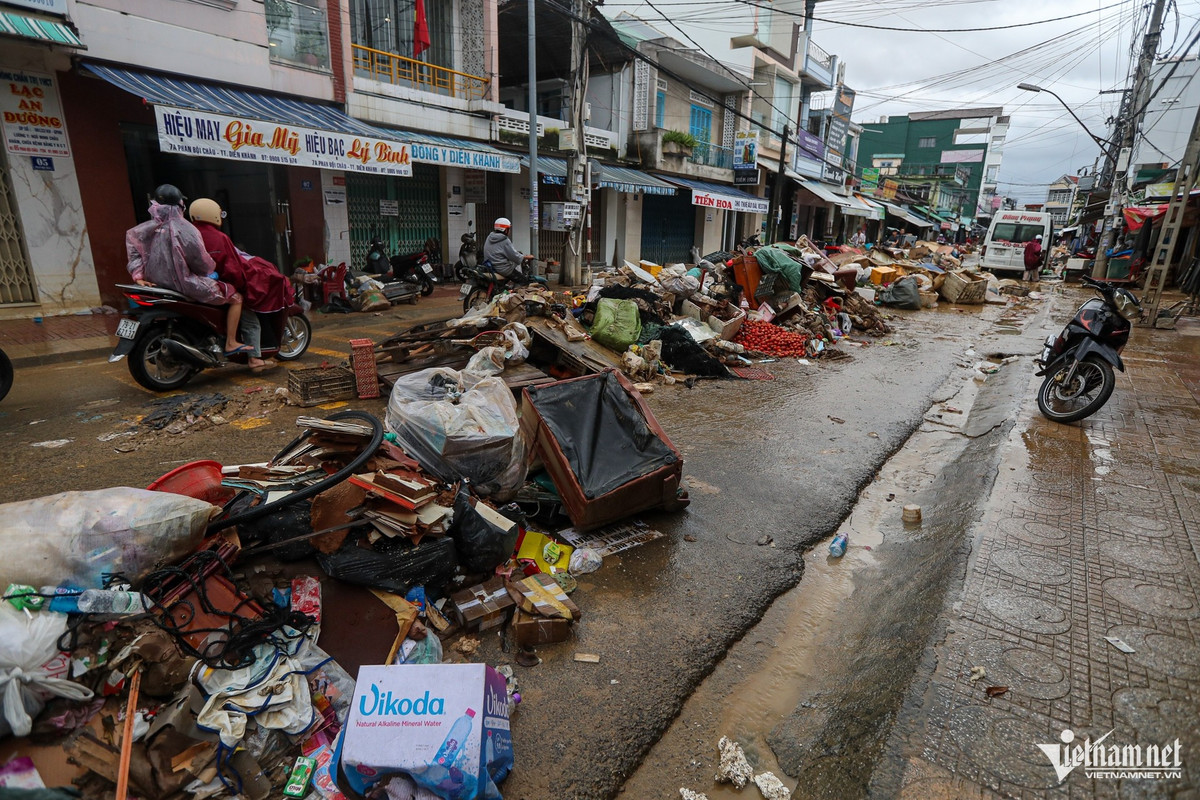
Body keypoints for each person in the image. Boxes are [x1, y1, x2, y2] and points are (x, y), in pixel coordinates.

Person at [126, 184, 249, 355]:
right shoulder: (186, 230)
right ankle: (231, 342)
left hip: (157, 284)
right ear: (179, 206)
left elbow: (133, 250)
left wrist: (138, 276)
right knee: (235, 297)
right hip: (185, 284)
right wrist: (209, 272)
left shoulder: (145, 229)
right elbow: (202, 263)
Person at [189, 198, 293, 371]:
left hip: (195, 285)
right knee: (247, 314)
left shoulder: (190, 234)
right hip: (214, 287)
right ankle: (252, 358)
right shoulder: (218, 238)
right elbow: (233, 269)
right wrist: (245, 287)